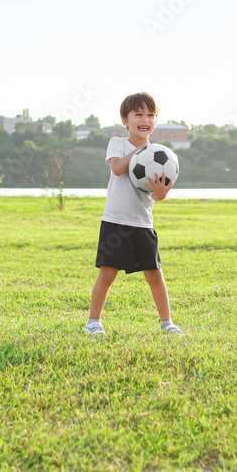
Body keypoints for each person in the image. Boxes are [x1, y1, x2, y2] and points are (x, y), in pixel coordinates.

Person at [85, 92, 182, 337]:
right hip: (115, 221)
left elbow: (157, 197)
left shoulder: (161, 156)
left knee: (155, 275)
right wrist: (138, 154)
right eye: (138, 114)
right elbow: (118, 169)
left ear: (156, 120)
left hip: (142, 223)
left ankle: (166, 323)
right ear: (125, 120)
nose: (144, 119)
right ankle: (93, 322)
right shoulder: (118, 143)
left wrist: (162, 191)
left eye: (150, 115)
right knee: (107, 273)